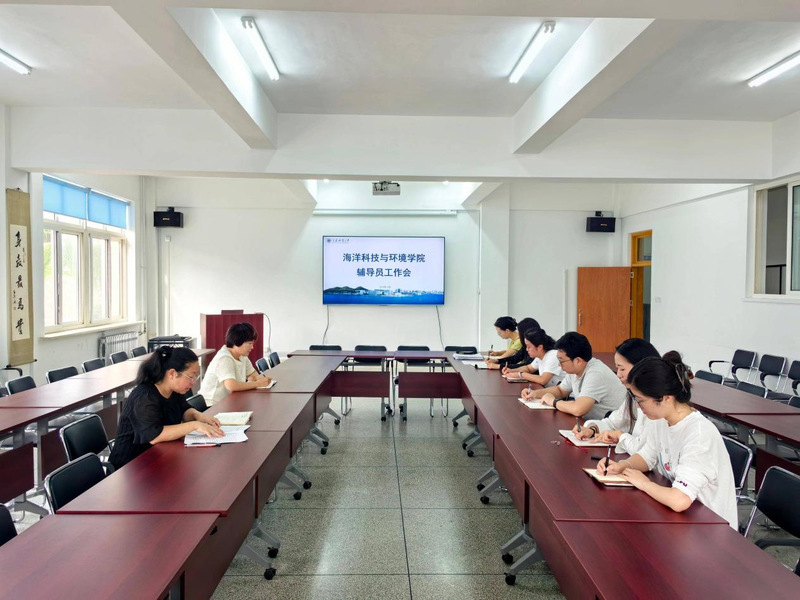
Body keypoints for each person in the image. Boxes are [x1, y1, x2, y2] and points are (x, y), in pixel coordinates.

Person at [598, 352, 738, 529]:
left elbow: (680, 500)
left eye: (641, 401)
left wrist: (644, 484)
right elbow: (647, 457)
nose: (638, 407)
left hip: (710, 527)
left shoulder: (698, 434)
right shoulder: (662, 419)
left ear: (665, 398)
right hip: (683, 518)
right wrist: (623, 466)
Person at [109, 347, 224, 470]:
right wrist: (194, 425)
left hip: (157, 457)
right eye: (191, 377)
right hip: (129, 466)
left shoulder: (174, 390)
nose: (194, 382)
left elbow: (184, 410)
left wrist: (198, 416)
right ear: (172, 374)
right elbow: (154, 436)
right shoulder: (145, 397)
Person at [571, 338, 660, 454]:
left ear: (640, 367)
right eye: (617, 368)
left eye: (622, 369)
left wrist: (620, 435)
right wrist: (592, 429)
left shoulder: (657, 401)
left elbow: (643, 449)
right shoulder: (632, 395)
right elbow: (613, 423)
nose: (618, 374)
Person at [520, 332, 625, 420]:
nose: (559, 365)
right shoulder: (576, 369)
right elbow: (561, 390)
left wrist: (553, 401)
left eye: (562, 361)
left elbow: (578, 409)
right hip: (592, 425)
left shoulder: (596, 373)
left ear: (578, 361)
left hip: (610, 430)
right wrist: (535, 393)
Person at [199, 322, 273, 405]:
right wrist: (257, 383)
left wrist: (258, 379)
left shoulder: (242, 355)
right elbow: (231, 386)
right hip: (212, 405)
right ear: (237, 341)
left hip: (230, 400)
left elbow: (252, 374)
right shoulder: (224, 358)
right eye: (250, 343)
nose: (252, 347)